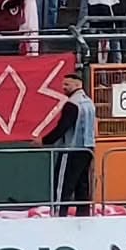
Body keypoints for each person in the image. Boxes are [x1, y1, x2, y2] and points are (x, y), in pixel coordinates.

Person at [43, 70, 96, 216]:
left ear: (77, 84)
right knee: (82, 185)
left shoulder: (72, 104)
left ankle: (58, 215)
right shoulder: (89, 103)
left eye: (67, 84)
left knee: (62, 186)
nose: (63, 87)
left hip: (71, 149)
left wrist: (44, 141)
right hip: (87, 148)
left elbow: (62, 127)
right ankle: (83, 215)